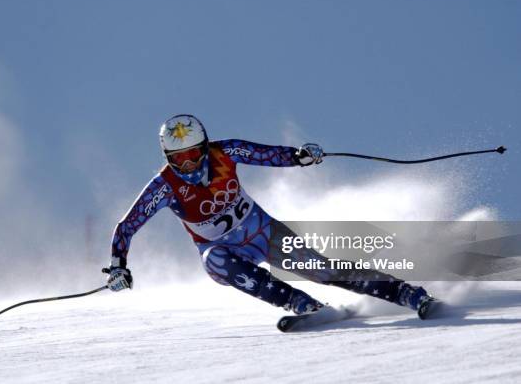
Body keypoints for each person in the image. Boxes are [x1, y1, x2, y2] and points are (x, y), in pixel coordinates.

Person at [107, 114, 433, 316]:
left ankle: (402, 292)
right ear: (168, 158)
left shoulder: (226, 152)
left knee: (321, 269)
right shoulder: (164, 186)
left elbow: (265, 154)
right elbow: (127, 227)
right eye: (180, 158)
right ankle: (297, 302)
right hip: (223, 251)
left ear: (205, 147)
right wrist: (119, 267)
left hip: (263, 232)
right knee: (214, 262)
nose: (189, 164)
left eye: (194, 154)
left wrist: (299, 157)